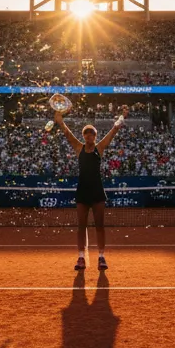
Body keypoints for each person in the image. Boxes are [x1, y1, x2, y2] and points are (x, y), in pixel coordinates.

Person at [53, 110, 123, 271]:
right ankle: (80, 257)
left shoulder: (100, 148)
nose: (88, 136)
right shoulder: (79, 148)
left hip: (97, 191)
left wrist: (121, 119)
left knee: (100, 226)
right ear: (84, 136)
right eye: (86, 133)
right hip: (82, 191)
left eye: (91, 134)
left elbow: (113, 132)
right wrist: (59, 121)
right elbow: (68, 133)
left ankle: (101, 256)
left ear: (95, 136)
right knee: (81, 227)